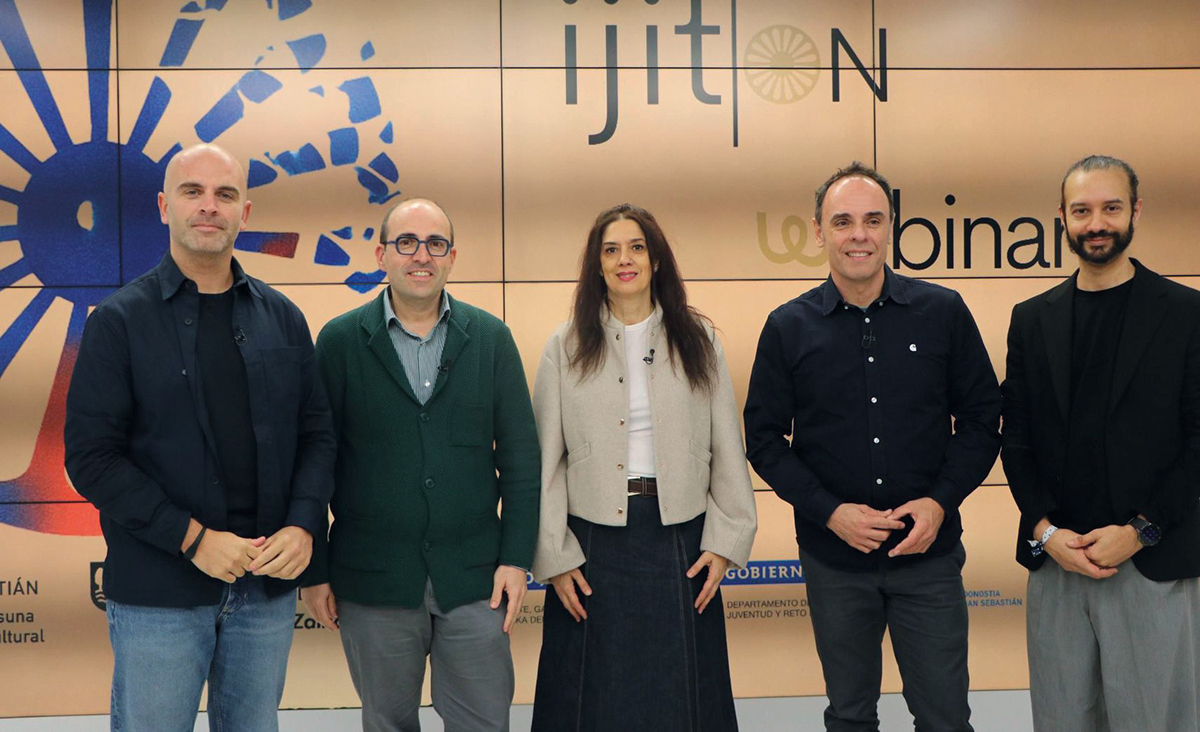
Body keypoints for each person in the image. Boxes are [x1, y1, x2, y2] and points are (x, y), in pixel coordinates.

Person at [64, 143, 336, 732]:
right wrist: (192, 539)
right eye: (193, 192)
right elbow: (91, 459)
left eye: (225, 194)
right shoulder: (118, 322)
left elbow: (317, 435)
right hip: (159, 594)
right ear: (165, 206)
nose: (209, 206)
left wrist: (303, 524)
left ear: (245, 212)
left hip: (265, 593)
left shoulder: (284, 317)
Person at [744, 162, 1000, 732]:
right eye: (842, 222)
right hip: (834, 562)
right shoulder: (788, 326)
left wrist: (940, 502)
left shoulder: (943, 312)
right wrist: (830, 512)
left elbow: (983, 421)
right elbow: (763, 441)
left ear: (890, 227)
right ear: (819, 232)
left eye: (872, 220)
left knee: (945, 718)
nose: (858, 234)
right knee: (850, 716)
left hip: (928, 560)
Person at [300, 198, 540, 732]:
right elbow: (314, 462)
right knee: (387, 723)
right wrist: (314, 571)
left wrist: (515, 559)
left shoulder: (491, 339)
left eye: (435, 244)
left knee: (484, 723)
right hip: (372, 581)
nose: (421, 255)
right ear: (381, 255)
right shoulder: (338, 342)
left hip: (477, 580)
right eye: (406, 242)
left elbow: (522, 460)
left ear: (452, 256)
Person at [530, 203, 757, 732]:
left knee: (684, 697)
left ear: (656, 260)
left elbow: (727, 446)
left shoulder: (699, 340)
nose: (624, 260)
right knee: (589, 697)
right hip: (591, 544)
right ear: (597, 264)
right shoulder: (564, 346)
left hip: (681, 540)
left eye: (636, 247)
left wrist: (725, 541)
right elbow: (545, 463)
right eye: (611, 250)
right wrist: (554, 555)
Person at [1001, 155, 1200, 732]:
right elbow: (1016, 438)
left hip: (1150, 563)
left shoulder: (1186, 313)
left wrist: (1139, 532)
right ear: (1061, 217)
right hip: (1057, 564)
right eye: (1082, 210)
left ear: (1135, 211)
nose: (1096, 224)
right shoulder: (1031, 319)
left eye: (1111, 208)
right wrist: (1046, 532)